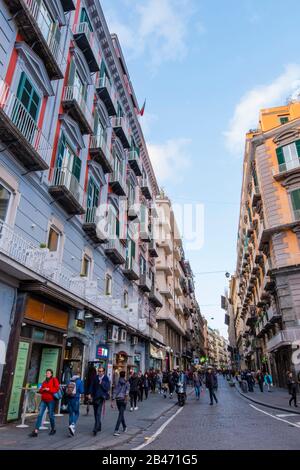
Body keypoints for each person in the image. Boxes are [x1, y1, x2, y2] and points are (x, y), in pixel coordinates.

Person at [29, 369, 60, 437]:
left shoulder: (54, 379)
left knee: (51, 415)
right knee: (40, 415)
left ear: (51, 374)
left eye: (48, 373)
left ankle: (53, 429)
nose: (47, 374)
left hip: (51, 400)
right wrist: (41, 390)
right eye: (46, 373)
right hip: (44, 400)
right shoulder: (44, 381)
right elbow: (41, 390)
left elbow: (57, 388)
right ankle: (36, 431)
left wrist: (49, 389)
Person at [88, 366, 110, 436]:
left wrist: (102, 383)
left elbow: (107, 388)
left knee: (98, 413)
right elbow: (91, 386)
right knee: (95, 413)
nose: (100, 373)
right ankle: (99, 425)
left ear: (103, 372)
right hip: (95, 397)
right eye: (99, 371)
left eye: (101, 371)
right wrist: (89, 394)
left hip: (101, 398)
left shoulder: (106, 378)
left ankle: (95, 429)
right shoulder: (95, 377)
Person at [65, 369, 84, 436]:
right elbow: (82, 391)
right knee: (77, 413)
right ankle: (72, 425)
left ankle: (71, 430)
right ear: (79, 374)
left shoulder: (69, 380)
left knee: (70, 414)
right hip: (76, 399)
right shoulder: (79, 381)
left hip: (69, 398)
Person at [111, 370, 130, 436]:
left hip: (118, 400)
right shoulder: (126, 382)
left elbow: (115, 391)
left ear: (120, 375)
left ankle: (125, 427)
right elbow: (127, 392)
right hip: (123, 399)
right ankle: (116, 430)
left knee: (121, 414)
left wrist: (113, 400)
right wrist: (126, 399)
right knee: (120, 415)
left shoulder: (117, 382)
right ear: (124, 375)